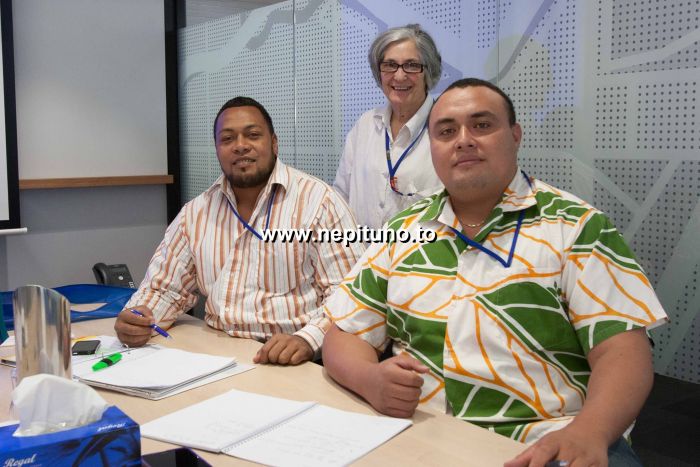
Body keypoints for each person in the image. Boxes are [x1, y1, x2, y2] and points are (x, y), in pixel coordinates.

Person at [322, 78, 668, 466]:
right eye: (447, 131)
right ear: (432, 147)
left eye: (482, 125)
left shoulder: (576, 227)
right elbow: (344, 333)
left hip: (548, 442)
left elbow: (624, 355)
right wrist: (370, 379)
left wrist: (591, 431)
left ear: (515, 135)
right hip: (422, 434)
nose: (463, 140)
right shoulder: (404, 231)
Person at [115, 96, 363, 365]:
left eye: (253, 135)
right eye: (228, 139)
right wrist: (139, 318)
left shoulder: (321, 203)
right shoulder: (196, 213)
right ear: (218, 149)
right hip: (217, 357)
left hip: (295, 362)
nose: (241, 146)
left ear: (274, 143)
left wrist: (307, 339)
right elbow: (164, 289)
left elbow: (349, 296)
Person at [333, 24, 443, 230]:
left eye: (411, 65)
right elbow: (341, 195)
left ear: (428, 71)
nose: (399, 76)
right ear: (379, 71)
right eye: (390, 65)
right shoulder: (365, 125)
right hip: (362, 257)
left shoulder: (447, 127)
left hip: (418, 259)